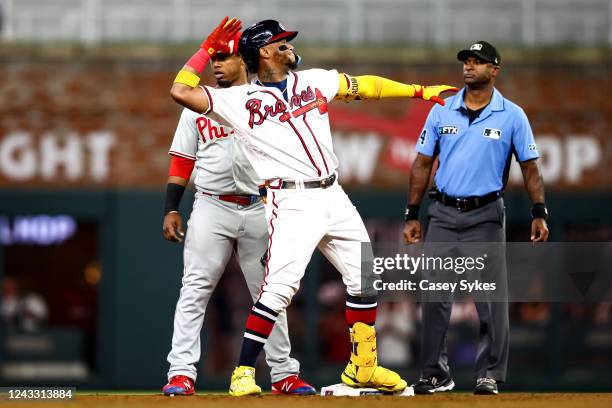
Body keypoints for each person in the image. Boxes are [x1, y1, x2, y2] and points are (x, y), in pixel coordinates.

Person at [170, 17, 457, 396]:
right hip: (291, 200)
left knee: (365, 276)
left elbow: (366, 86)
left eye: (287, 41)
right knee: (278, 289)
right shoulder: (236, 100)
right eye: (281, 42)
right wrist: (206, 50)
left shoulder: (314, 80)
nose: (289, 46)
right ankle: (243, 372)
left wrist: (419, 91)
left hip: (333, 193)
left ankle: (362, 367)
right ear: (264, 52)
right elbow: (180, 91)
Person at [161, 25, 314, 396]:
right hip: (211, 205)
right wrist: (171, 208)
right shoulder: (199, 102)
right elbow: (183, 160)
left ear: (242, 60)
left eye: (223, 57)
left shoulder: (266, 98)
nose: (216, 65)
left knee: (270, 292)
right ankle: (181, 372)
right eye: (213, 58)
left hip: (260, 206)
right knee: (195, 288)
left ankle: (283, 373)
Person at [402, 41, 549, 395]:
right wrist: (412, 212)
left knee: (490, 300)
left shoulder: (512, 115)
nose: (469, 67)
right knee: (435, 297)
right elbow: (422, 163)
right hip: (442, 212)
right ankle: (436, 373)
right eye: (466, 61)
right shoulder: (441, 110)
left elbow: (530, 168)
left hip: (484, 214)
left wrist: (539, 211)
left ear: (495, 70)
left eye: (478, 62)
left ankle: (489, 374)